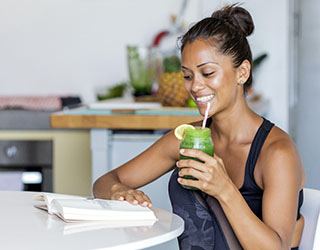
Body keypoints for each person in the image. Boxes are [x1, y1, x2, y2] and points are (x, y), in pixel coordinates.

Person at [93, 4, 304, 250]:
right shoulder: (186, 138)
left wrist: (224, 189)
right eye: (188, 76)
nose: (195, 86)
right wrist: (119, 190)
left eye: (207, 73)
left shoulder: (277, 153)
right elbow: (104, 182)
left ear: (242, 72)